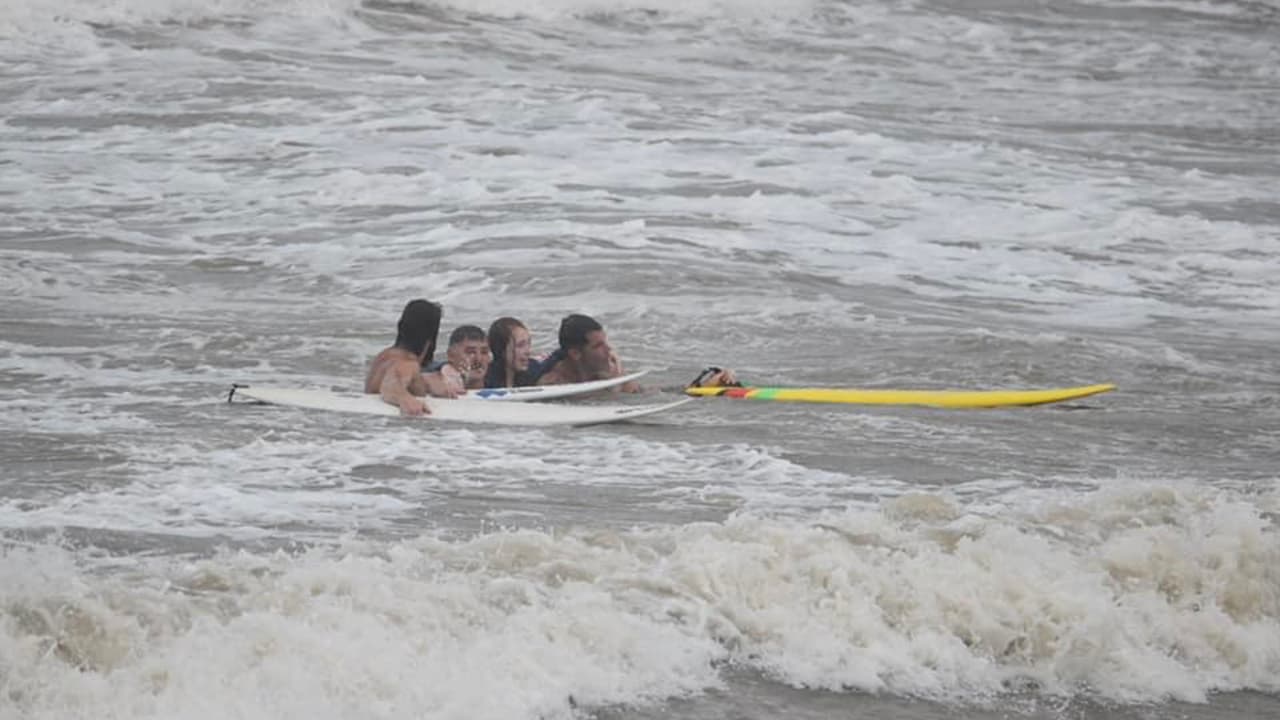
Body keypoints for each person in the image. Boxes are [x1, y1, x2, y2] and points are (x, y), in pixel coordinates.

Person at [364, 299, 457, 416]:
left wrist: (427, 381)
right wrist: (405, 399)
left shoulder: (384, 356)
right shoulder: (408, 363)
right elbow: (390, 384)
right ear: (431, 340)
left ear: (401, 327)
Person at [426, 325, 491, 393]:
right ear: (451, 355)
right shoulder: (436, 381)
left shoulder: (499, 380)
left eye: (484, 352)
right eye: (470, 352)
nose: (478, 359)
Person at [484, 316, 539, 388]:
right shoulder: (485, 377)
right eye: (520, 345)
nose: (528, 351)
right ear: (502, 350)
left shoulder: (534, 369)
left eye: (528, 343)